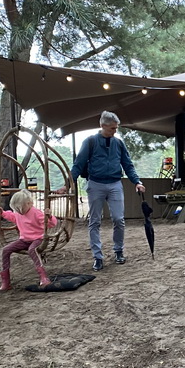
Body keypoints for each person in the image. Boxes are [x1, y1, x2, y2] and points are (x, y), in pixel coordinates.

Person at [67, 111, 145, 271]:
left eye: (116, 129)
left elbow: (127, 164)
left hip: (115, 183)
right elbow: (78, 164)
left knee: (118, 219)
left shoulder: (119, 143)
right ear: (102, 126)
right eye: (112, 129)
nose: (114, 131)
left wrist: (137, 181)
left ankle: (118, 251)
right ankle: (97, 257)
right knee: (94, 221)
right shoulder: (90, 142)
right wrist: (67, 184)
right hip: (96, 184)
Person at [0, 190, 57, 291]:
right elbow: (12, 216)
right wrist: (2, 213)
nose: (20, 211)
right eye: (16, 209)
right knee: (6, 249)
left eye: (21, 208)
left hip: (38, 238)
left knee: (32, 250)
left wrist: (49, 217)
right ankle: (5, 280)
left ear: (29, 203)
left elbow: (51, 224)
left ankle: (43, 276)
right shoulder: (18, 213)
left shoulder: (36, 213)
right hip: (24, 239)